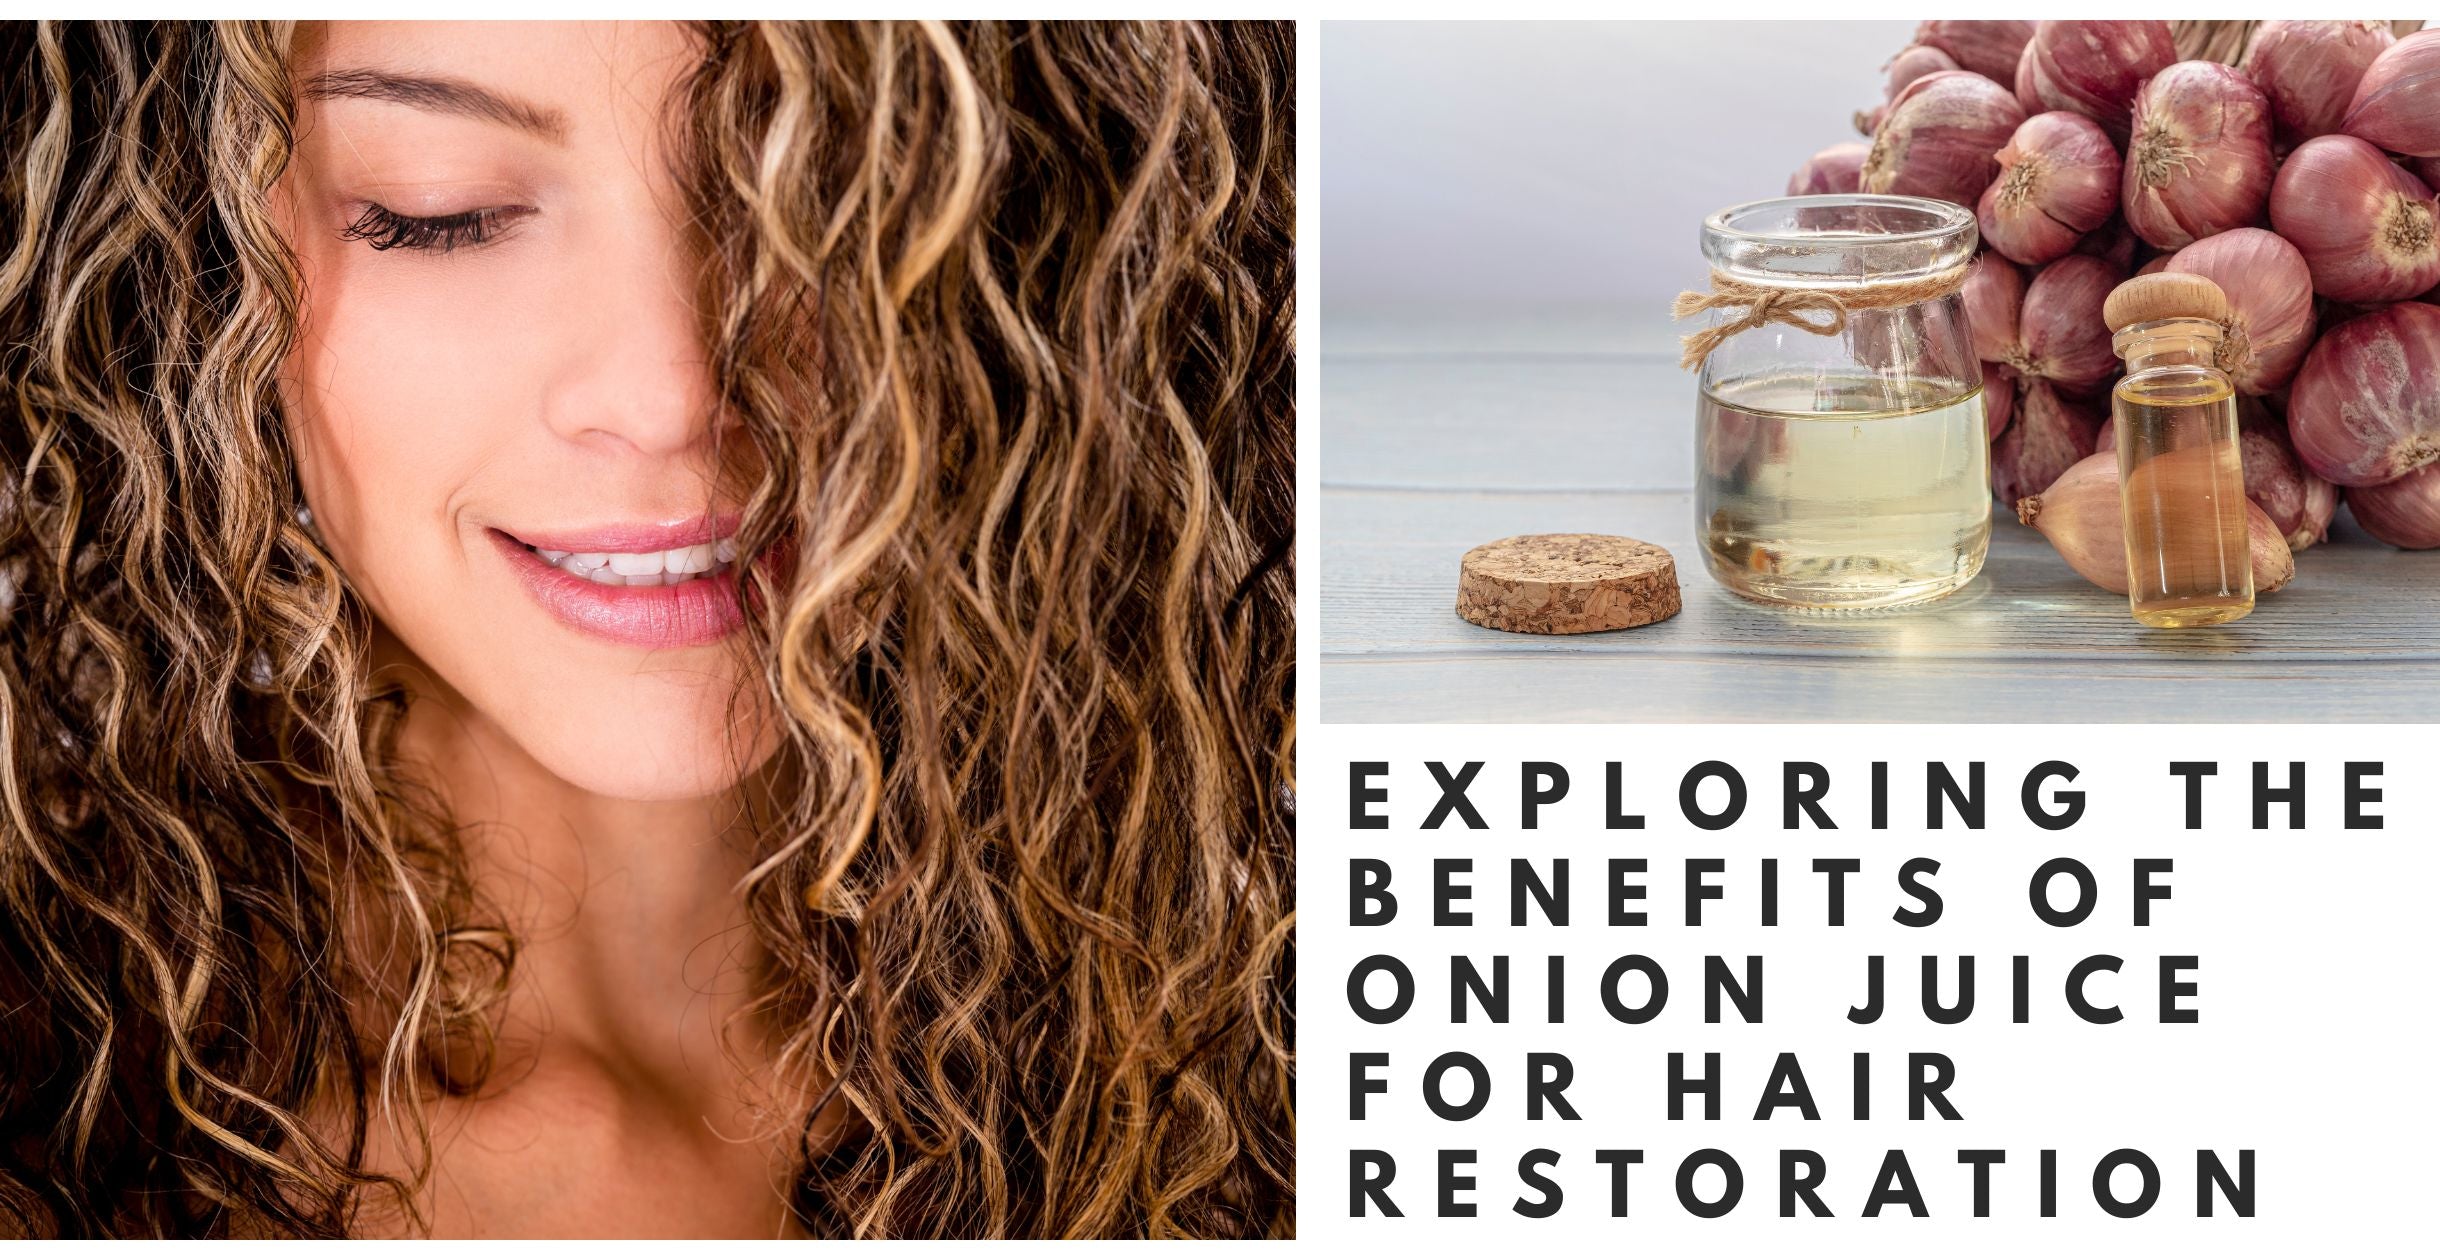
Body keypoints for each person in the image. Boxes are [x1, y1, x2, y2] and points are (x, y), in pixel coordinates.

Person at [0, 19, 1293, 1239]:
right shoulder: (54, 1136)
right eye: (437, 214)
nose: (673, 392)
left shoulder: (1302, 996)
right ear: (195, 269)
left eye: (820, 175)